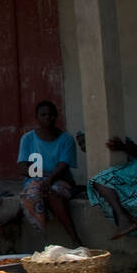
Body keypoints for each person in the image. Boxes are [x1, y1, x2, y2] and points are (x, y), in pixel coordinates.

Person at [75, 132, 137, 240]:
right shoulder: (103, 165)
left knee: (97, 183)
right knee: (114, 201)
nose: (83, 146)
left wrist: (123, 146)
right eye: (80, 144)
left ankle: (123, 219)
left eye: (85, 142)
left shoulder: (118, 143)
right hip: (132, 186)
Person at [17, 100, 82, 244]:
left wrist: (49, 179)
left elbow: (63, 165)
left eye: (51, 115)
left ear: (56, 116)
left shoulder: (66, 139)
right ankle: (43, 240)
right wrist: (43, 176)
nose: (48, 117)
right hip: (36, 180)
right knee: (32, 194)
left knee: (53, 193)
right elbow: (22, 167)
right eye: (43, 115)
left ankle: (75, 239)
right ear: (37, 117)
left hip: (61, 180)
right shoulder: (27, 138)